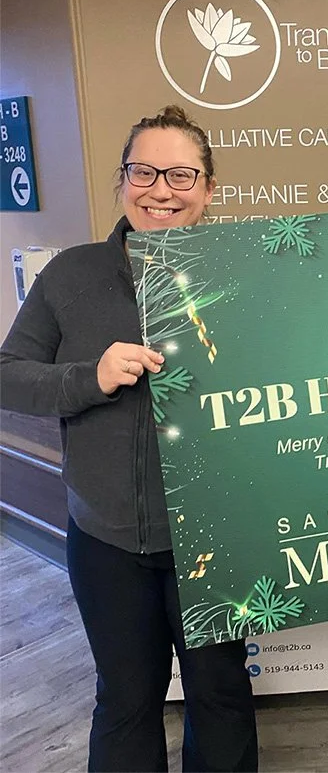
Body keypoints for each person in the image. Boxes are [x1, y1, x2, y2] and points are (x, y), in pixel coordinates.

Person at [0, 106, 258, 772]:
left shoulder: (248, 277)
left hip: (214, 537)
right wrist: (92, 376)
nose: (161, 189)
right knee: (126, 699)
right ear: (122, 181)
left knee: (222, 694)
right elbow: (9, 377)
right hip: (107, 541)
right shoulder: (71, 276)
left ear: (208, 188)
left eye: (180, 174)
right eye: (144, 171)